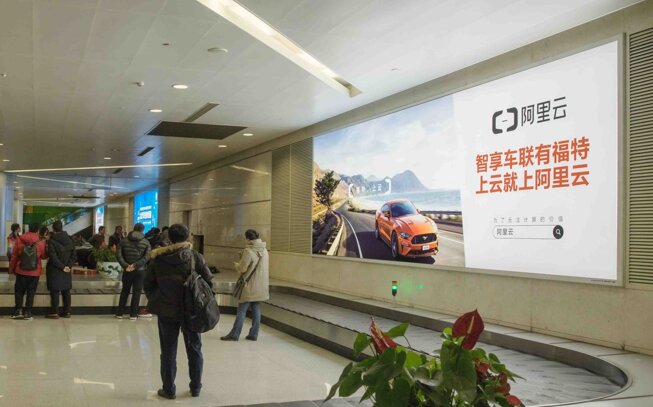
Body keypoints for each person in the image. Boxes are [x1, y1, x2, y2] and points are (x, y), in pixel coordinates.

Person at [144, 224, 213, 400]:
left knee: (168, 351)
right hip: (192, 311)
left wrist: (160, 298)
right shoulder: (195, 257)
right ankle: (195, 387)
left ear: (170, 238)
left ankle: (169, 389)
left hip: (167, 311)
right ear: (187, 237)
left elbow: (148, 284)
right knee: (195, 348)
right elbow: (208, 282)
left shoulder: (158, 259)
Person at [221, 229, 269, 342]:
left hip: (249, 285)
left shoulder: (248, 251)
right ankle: (254, 334)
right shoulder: (265, 250)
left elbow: (243, 269)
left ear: (247, 239)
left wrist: (237, 264)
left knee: (242, 309)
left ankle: (234, 334)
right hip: (261, 286)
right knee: (256, 308)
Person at [9, 222, 48, 320]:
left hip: (21, 270)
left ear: (28, 229)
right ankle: (28, 312)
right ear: (38, 230)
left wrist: (11, 269)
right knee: (31, 292)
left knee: (19, 291)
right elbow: (44, 256)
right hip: (35, 272)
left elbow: (14, 256)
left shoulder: (20, 239)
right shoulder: (41, 241)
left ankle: (18, 311)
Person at [116, 223, 151, 320]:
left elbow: (119, 255)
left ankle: (120, 313)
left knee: (125, 291)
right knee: (137, 292)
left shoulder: (123, 241)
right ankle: (133, 314)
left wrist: (126, 265)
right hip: (140, 270)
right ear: (142, 230)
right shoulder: (146, 242)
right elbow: (147, 257)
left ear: (133, 229)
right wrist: (135, 265)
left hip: (127, 270)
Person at [45, 221, 76, 319]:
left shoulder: (51, 241)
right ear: (62, 227)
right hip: (66, 269)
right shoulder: (70, 239)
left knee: (54, 290)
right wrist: (68, 266)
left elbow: (53, 257)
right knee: (66, 290)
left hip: (54, 269)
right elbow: (74, 256)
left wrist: (62, 267)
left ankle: (54, 312)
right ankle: (67, 312)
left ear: (53, 229)